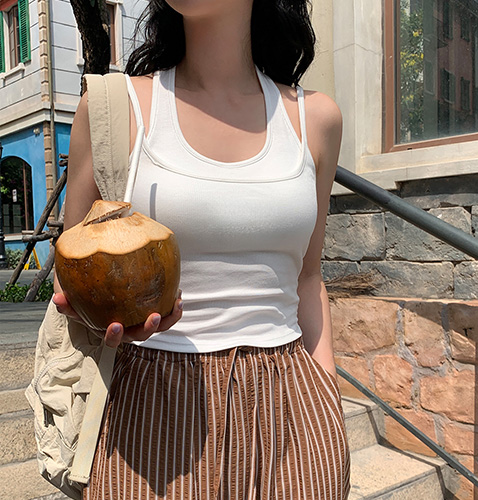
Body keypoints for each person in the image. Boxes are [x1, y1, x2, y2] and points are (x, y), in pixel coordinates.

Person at [53, 0, 350, 497]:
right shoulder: (112, 107)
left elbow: (307, 277)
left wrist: (326, 403)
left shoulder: (315, 118)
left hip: (292, 409)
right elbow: (73, 270)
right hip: (148, 406)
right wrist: (100, 317)